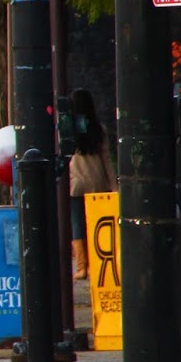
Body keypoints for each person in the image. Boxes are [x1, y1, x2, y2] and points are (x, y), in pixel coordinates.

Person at [66, 89, 115, 281]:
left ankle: (81, 267)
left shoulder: (68, 129)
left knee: (77, 225)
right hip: (98, 182)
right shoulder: (98, 129)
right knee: (97, 224)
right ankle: (97, 264)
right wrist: (113, 185)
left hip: (76, 184)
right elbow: (107, 160)